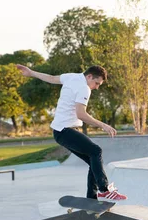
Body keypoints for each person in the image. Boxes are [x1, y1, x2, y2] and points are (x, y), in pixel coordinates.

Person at [16, 64, 127, 201]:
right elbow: (81, 114)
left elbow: (51, 78)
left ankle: (92, 198)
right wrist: (102, 125)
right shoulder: (84, 88)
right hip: (66, 131)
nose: (96, 87)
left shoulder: (71, 77)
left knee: (93, 162)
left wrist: (32, 73)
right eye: (96, 83)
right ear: (89, 76)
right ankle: (104, 190)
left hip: (61, 132)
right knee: (96, 151)